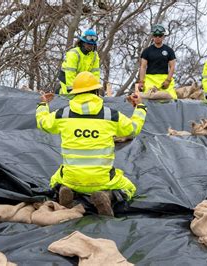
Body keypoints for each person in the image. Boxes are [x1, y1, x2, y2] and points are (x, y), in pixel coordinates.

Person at [37, 71, 147, 217]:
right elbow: (133, 129)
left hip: (71, 177)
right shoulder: (110, 115)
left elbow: (42, 123)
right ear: (96, 91)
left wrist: (43, 104)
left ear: (75, 92)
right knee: (129, 188)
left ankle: (63, 190)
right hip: (102, 179)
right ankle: (108, 196)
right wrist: (139, 107)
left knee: (54, 181)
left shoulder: (62, 114)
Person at [138, 24, 177, 99]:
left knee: (172, 98)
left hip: (164, 79)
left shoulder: (169, 50)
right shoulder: (147, 51)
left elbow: (172, 67)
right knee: (147, 98)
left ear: (163, 36)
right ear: (152, 36)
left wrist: (168, 80)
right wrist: (141, 81)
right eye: (155, 35)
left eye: (160, 35)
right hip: (150, 79)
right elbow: (143, 67)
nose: (157, 37)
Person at [58, 29, 100, 95]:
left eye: (92, 45)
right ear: (83, 43)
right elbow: (70, 72)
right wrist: (71, 88)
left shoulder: (94, 55)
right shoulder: (74, 54)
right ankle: (60, 93)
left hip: (81, 80)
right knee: (68, 99)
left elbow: (95, 73)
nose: (90, 46)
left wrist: (95, 87)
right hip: (67, 78)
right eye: (88, 44)